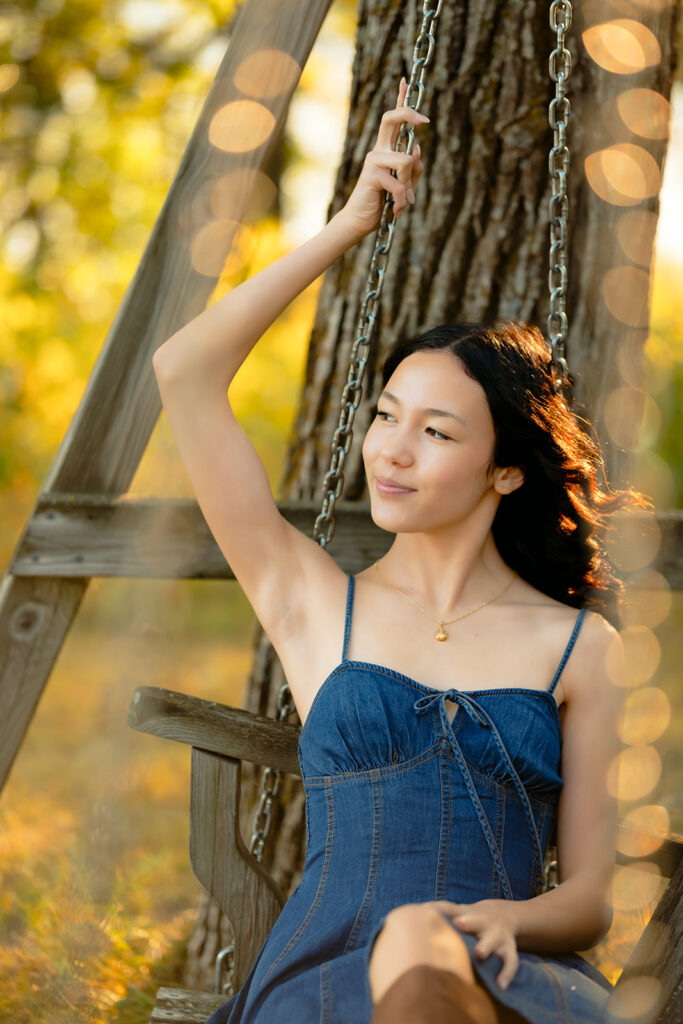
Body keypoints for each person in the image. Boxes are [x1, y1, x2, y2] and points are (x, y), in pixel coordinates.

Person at [152, 77, 643, 1023]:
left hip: (501, 974)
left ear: (505, 472)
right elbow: (183, 372)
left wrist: (499, 921)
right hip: (326, 976)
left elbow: (587, 901)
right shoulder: (309, 599)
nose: (390, 449)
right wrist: (348, 224)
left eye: (436, 433)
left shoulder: (580, 649)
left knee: (428, 947)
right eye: (385, 417)